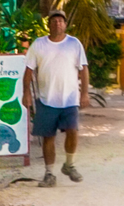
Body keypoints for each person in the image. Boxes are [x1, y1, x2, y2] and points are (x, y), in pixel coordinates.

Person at [23, 10, 88, 188]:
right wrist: (26, 93)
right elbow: (28, 71)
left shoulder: (74, 44)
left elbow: (83, 69)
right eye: (54, 21)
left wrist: (84, 93)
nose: (57, 24)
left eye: (60, 21)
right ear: (49, 25)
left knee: (73, 131)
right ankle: (49, 173)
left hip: (70, 98)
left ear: (65, 25)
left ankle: (69, 164)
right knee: (48, 137)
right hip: (46, 99)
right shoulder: (38, 44)